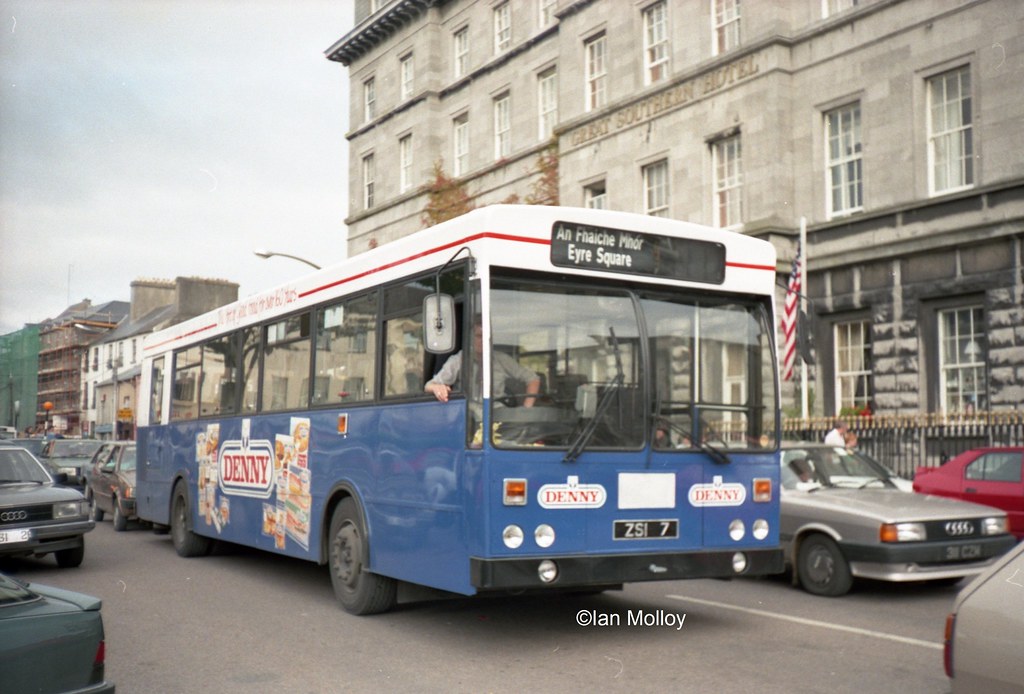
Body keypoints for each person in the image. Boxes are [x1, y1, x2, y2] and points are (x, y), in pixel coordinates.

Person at [425, 324, 540, 407]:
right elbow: (429, 385)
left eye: (487, 336)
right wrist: (437, 387)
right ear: (470, 338)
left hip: (496, 415)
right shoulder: (459, 359)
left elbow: (533, 378)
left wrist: (527, 407)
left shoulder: (501, 359)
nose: (483, 340)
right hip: (468, 416)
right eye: (479, 336)